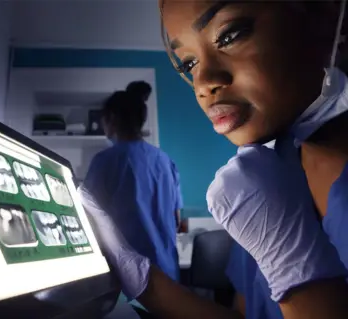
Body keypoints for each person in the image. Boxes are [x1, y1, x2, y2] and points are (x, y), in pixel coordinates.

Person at [80, 1, 348, 319]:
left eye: (229, 35)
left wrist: (299, 277)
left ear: (328, 16)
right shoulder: (269, 180)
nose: (204, 82)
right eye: (189, 64)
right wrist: (144, 281)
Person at [80, 85, 183, 316]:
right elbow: (176, 219)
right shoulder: (166, 161)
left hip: (132, 283)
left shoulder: (105, 161)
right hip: (169, 280)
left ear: (112, 119)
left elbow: (87, 219)